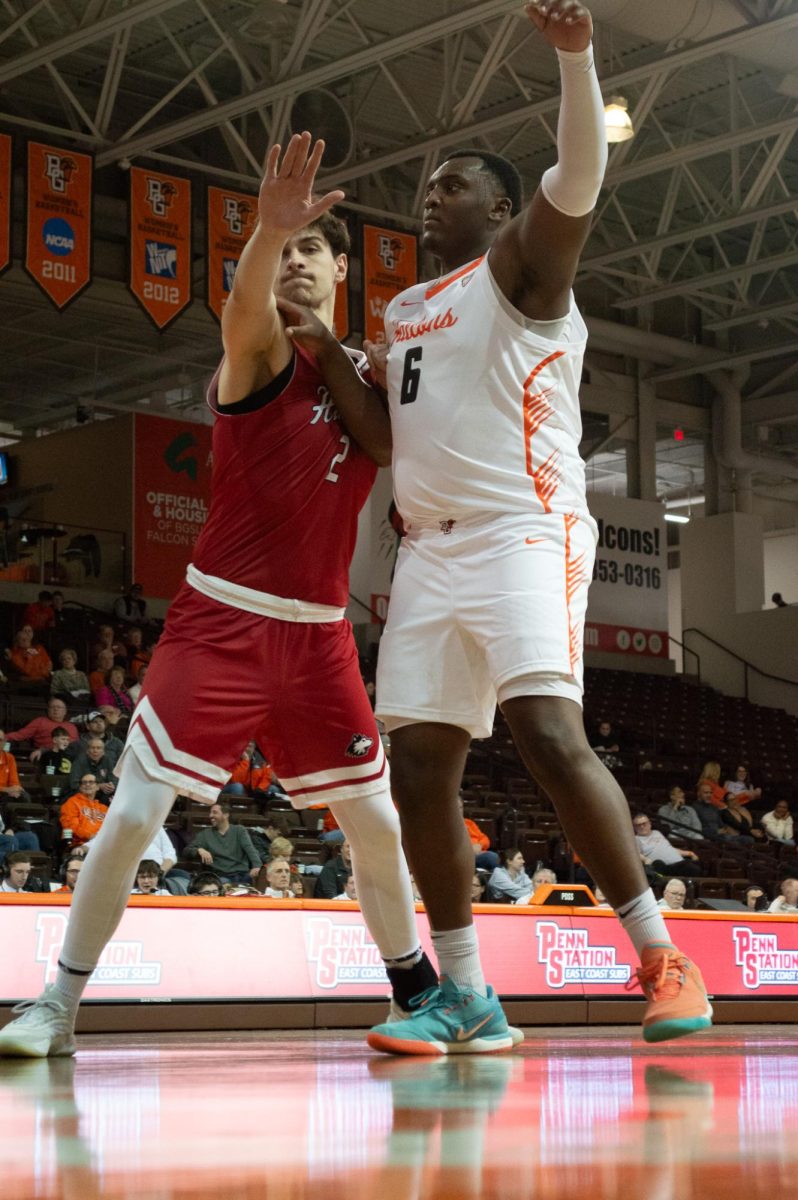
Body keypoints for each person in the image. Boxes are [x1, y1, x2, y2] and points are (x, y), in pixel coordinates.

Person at [0, 132, 477, 1062]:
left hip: (319, 637)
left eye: (311, 248)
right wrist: (269, 228)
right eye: (282, 251)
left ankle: (417, 989)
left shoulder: (365, 374)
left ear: (344, 267)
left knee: (376, 825)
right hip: (220, 623)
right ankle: (56, 1005)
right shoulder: (257, 351)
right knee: (135, 814)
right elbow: (242, 305)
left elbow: (401, 437)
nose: (295, 259)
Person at [364, 1, 711, 1053]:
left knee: (550, 735)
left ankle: (661, 957)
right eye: (427, 186)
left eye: (454, 183)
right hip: (428, 545)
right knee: (420, 767)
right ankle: (465, 993)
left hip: (525, 526)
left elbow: (579, 180)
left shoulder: (523, 269)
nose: (433, 195)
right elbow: (382, 443)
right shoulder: (405, 309)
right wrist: (324, 351)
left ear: (502, 206)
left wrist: (576, 62)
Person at [184, 802, 262, 884]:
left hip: (243, 874)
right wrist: (199, 850)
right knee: (223, 883)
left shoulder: (239, 830)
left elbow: (251, 850)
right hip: (221, 876)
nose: (210, 816)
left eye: (215, 812)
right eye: (210, 813)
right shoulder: (205, 834)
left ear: (225, 815)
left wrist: (257, 867)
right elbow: (186, 851)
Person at [6, 697, 79, 760]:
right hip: (47, 755)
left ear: (65, 711)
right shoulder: (40, 721)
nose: (55, 709)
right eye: (52, 707)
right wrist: (3, 737)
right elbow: (20, 735)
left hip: (70, 756)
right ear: (48, 710)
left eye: (59, 707)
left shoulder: (72, 726)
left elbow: (77, 746)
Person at [633, 815, 702, 878]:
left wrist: (689, 853)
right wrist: (645, 859)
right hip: (663, 867)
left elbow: (670, 849)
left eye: (644, 824)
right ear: (635, 827)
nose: (642, 826)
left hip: (678, 863)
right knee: (659, 864)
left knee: (696, 868)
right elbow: (635, 854)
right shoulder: (636, 839)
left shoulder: (657, 833)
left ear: (650, 824)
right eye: (638, 825)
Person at [59, 775, 107, 847]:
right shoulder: (72, 802)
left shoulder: (104, 808)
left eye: (91, 782)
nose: (87, 784)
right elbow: (71, 826)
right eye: (84, 782)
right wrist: (91, 836)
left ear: (97, 787)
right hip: (79, 844)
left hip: (102, 844)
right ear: (80, 787)